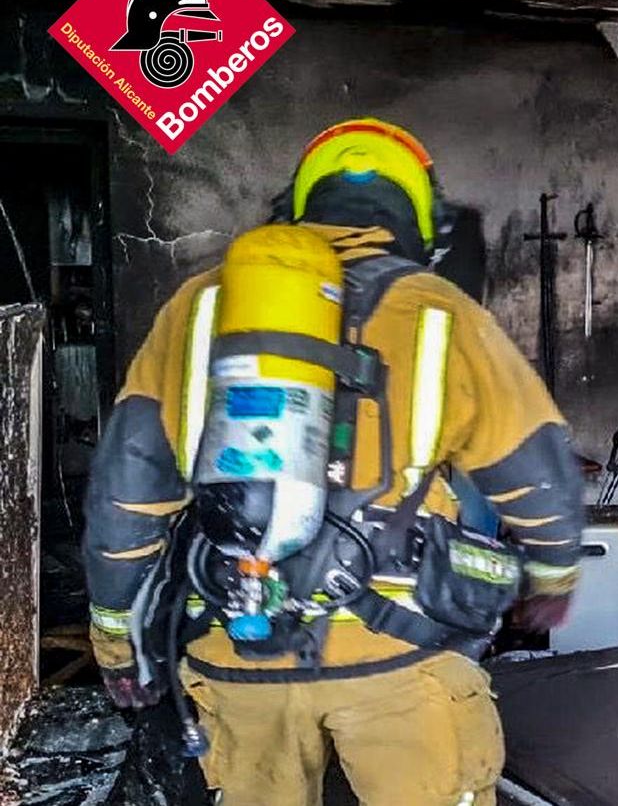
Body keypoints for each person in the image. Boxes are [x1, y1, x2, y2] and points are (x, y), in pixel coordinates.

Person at [81, 118, 583, 806]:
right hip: (399, 660)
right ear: (417, 220)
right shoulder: (438, 313)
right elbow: (537, 469)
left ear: (300, 205)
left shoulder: (197, 309)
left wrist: (118, 643)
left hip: (236, 647)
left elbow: (127, 494)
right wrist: (552, 578)